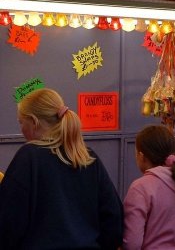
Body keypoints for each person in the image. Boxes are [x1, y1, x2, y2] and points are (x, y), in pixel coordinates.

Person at [0, 88, 123, 250]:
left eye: (21, 122)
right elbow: (114, 218)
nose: (21, 129)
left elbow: (7, 223)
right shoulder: (87, 157)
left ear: (34, 122)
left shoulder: (29, 157)